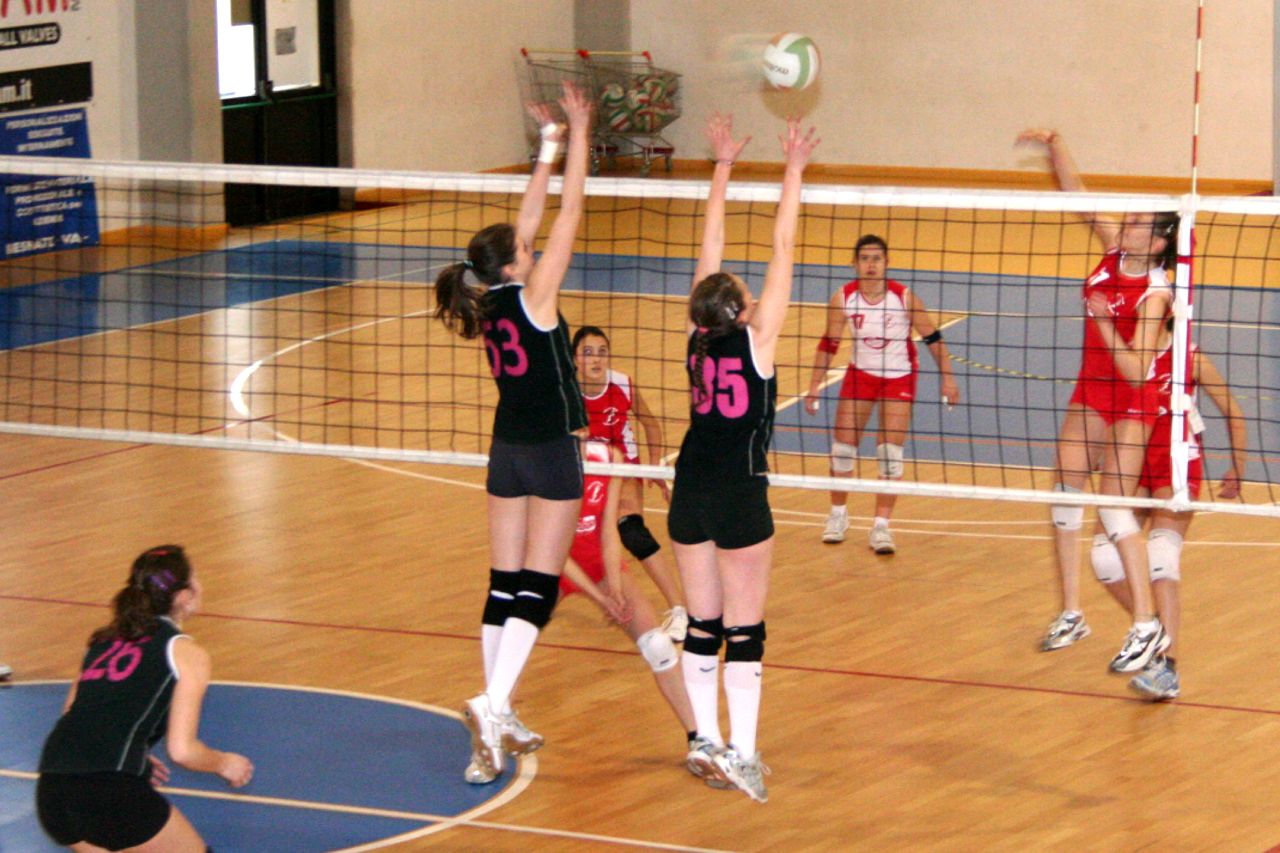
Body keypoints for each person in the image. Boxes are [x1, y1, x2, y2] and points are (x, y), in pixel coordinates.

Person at [434, 82, 592, 782]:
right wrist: (581, 134)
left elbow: (527, 221)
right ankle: (493, 703)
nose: (534, 245)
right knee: (540, 585)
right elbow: (569, 212)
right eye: (526, 247)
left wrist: (548, 144)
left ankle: (498, 722)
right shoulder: (537, 298)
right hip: (553, 451)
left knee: (503, 583)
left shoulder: (490, 300)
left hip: (505, 453)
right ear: (514, 264)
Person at [669, 113, 818, 804]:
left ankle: (704, 741)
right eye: (747, 294)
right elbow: (784, 244)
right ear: (742, 309)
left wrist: (722, 167)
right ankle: (745, 755)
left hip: (688, 486)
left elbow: (710, 247)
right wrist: (794, 169)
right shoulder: (758, 340)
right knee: (745, 628)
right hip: (738, 492)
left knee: (702, 624)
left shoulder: (697, 334)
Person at [1016, 128, 1176, 673]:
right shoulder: (1114, 251)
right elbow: (1079, 197)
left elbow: (1136, 371)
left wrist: (1105, 323)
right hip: (1091, 390)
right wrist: (1056, 146)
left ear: (1157, 242)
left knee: (1112, 506)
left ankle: (1146, 625)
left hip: (1133, 401)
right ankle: (1071, 613)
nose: (1128, 220)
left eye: (1140, 221)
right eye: (1130, 216)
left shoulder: (1155, 293)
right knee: (1064, 490)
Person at [36, 545, 254, 852]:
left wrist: (127, 752)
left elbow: (75, 716)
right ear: (183, 596)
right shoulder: (185, 653)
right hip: (107, 793)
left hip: (52, 792)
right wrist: (224, 763)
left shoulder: (102, 641)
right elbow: (182, 751)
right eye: (196, 578)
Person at [1086, 315, 1247, 699]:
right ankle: (1154, 630)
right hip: (1131, 461)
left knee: (1161, 556)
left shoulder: (1189, 357)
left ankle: (1167, 668)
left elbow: (1234, 411)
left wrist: (1238, 467)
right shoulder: (1126, 359)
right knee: (1104, 558)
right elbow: (1110, 412)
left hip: (1175, 462)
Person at [802, 235, 960, 553]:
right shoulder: (843, 298)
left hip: (898, 377)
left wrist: (948, 379)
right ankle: (838, 516)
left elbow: (933, 338)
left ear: (887, 263)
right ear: (854, 263)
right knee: (842, 449)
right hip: (860, 376)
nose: (871, 265)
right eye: (864, 259)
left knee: (889, 455)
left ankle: (881, 527)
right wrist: (814, 384)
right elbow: (829, 343)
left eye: (877, 259)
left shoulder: (904, 297)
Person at [572, 324, 688, 640]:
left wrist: (655, 467)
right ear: (575, 360)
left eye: (602, 352)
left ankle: (679, 610)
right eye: (587, 352)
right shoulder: (566, 393)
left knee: (630, 531)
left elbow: (651, 425)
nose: (596, 359)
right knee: (568, 539)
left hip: (623, 469)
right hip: (584, 471)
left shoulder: (622, 384)